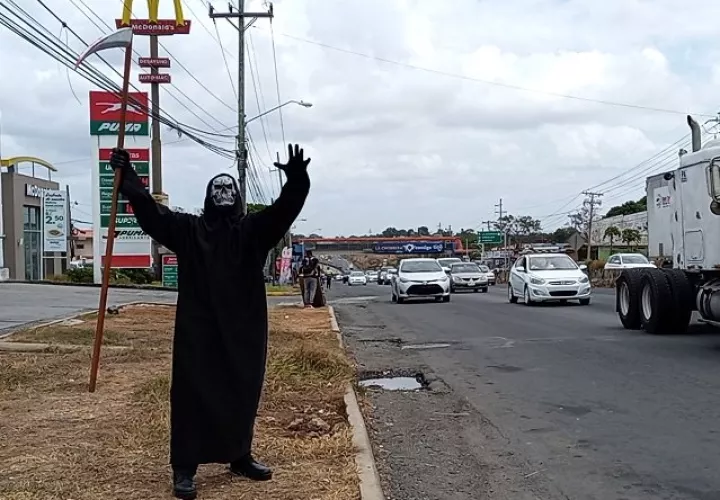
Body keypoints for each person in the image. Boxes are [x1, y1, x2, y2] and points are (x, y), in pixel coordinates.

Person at [109, 144, 311, 500]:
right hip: (198, 329)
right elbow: (151, 212)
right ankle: (184, 468)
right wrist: (128, 177)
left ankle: (239, 455)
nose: (222, 198)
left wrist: (296, 180)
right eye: (218, 193)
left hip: (244, 329)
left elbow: (284, 210)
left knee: (242, 391)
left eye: (226, 193)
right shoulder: (188, 230)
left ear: (233, 199)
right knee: (191, 394)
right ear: (210, 198)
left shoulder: (252, 231)